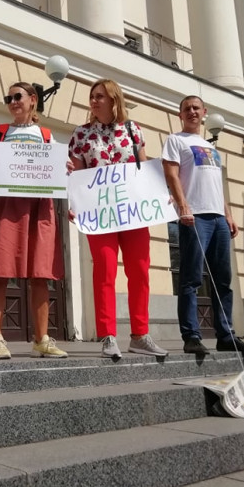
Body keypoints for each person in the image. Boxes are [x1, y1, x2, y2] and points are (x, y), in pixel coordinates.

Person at [68, 78, 167, 360]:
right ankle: (108, 336)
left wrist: (161, 195)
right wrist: (73, 204)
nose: (94, 101)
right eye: (92, 96)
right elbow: (76, 175)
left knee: (139, 270)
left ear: (114, 99)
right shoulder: (81, 135)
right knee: (105, 271)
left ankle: (140, 335)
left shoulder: (133, 130)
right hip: (100, 214)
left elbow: (145, 167)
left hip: (133, 211)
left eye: (100, 96)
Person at [161, 95, 244, 355]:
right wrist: (183, 207)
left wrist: (228, 214)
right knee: (191, 278)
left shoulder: (210, 146)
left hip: (218, 218)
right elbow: (171, 174)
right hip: (195, 216)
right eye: (186, 109)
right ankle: (191, 335)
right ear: (180, 115)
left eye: (196, 108)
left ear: (204, 112)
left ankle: (226, 335)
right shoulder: (175, 140)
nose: (192, 112)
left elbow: (216, 185)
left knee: (223, 280)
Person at [0, 82, 67, 359]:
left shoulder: (45, 134)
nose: (13, 102)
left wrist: (64, 167)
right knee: (0, 272)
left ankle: (41, 338)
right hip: (7, 207)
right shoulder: (0, 132)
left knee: (40, 274)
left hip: (40, 207)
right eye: (9, 98)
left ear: (32, 100)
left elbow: (57, 173)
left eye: (17, 97)